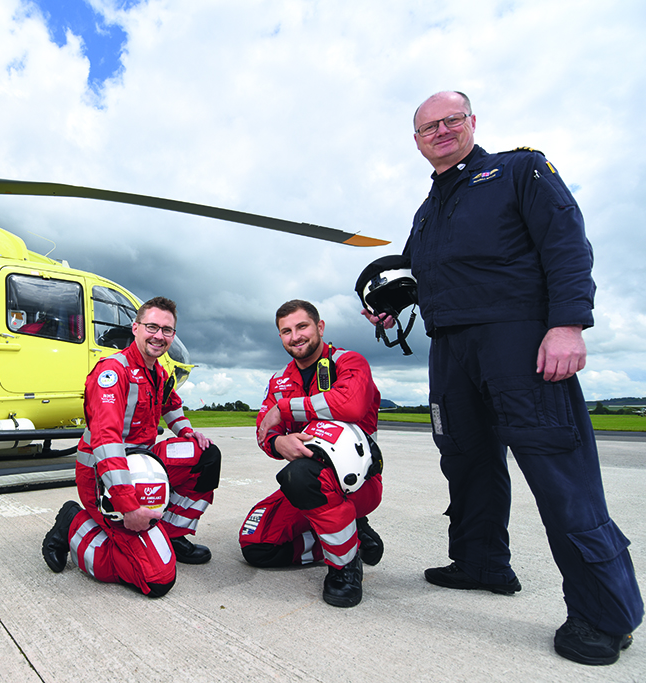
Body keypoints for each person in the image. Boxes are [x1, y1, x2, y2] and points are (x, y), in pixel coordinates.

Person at [362, 90, 642, 665]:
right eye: (427, 128)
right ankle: (481, 563)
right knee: (464, 459)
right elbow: (425, 273)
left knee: (557, 467)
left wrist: (567, 323)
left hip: (516, 339)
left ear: (471, 122)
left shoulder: (518, 169)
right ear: (416, 142)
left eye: (451, 120)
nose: (440, 131)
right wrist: (393, 304)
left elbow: (565, 241)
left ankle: (604, 615)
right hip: (451, 348)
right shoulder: (429, 208)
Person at [41, 296, 221, 597]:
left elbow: (171, 405)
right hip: (104, 475)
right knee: (155, 580)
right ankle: (73, 523)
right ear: (135, 328)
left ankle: (173, 535)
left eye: (167, 330)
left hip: (142, 463)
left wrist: (189, 432)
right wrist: (128, 506)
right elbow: (106, 441)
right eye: (152, 326)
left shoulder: (158, 372)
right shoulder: (114, 372)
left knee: (206, 456)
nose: (158, 335)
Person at [241, 300, 384, 608]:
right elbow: (263, 429)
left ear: (319, 327)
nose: (295, 337)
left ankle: (344, 567)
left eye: (302, 327)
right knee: (257, 547)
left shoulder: (350, 362)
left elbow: (351, 405)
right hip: (308, 485)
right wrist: (278, 444)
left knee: (299, 475)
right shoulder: (280, 379)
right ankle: (350, 537)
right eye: (286, 331)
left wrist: (285, 409)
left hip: (357, 485)